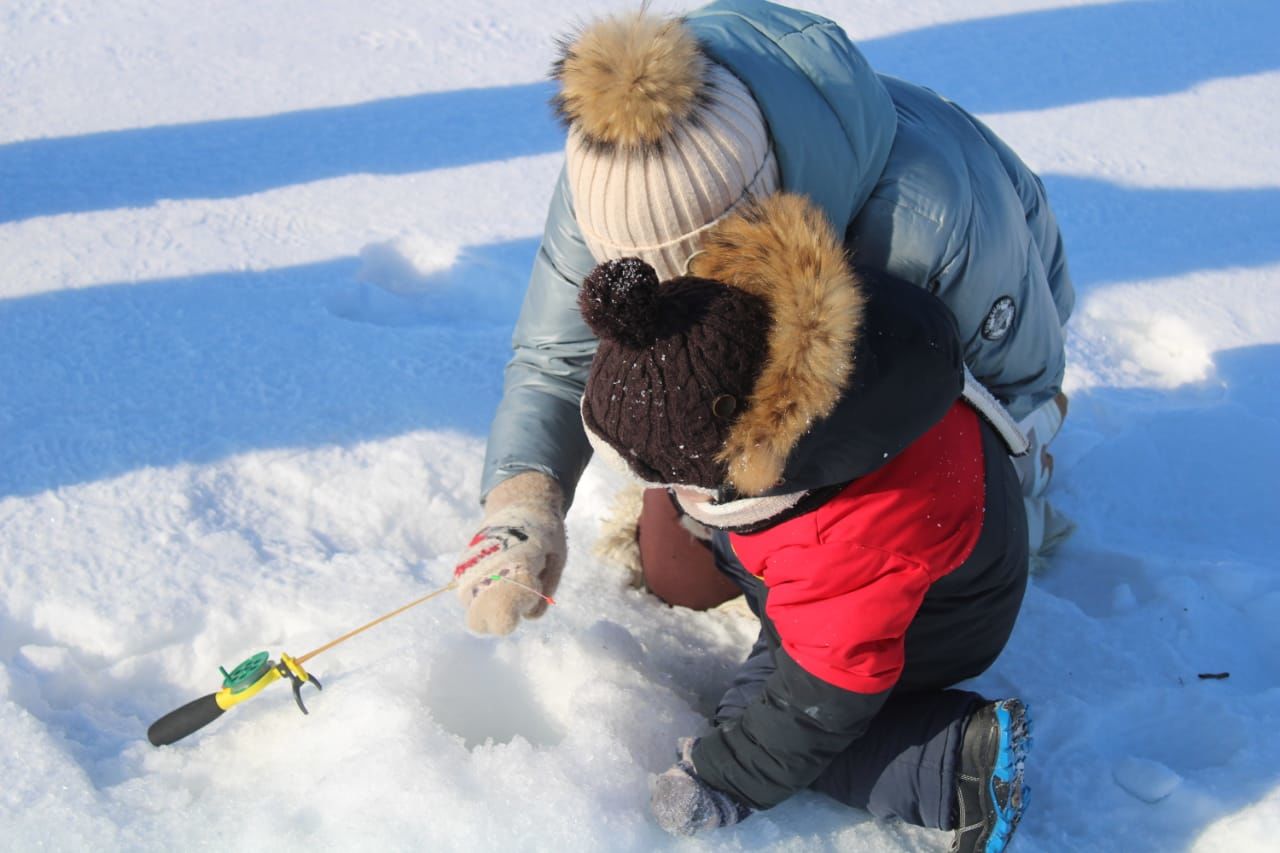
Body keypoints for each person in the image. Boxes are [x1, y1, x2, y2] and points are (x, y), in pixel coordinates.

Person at [453, 0, 1074, 634]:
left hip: (943, 370)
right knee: (681, 575)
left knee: (893, 603)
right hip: (775, 340)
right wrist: (524, 505)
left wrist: (1007, 503)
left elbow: (1010, 389)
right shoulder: (612, 173)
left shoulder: (930, 221)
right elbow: (555, 357)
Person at [568, 193, 1031, 850]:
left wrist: (726, 778)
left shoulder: (834, 540)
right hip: (952, 515)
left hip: (943, 616)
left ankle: (955, 765)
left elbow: (826, 695)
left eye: (674, 478)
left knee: (756, 720)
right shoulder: (790, 352)